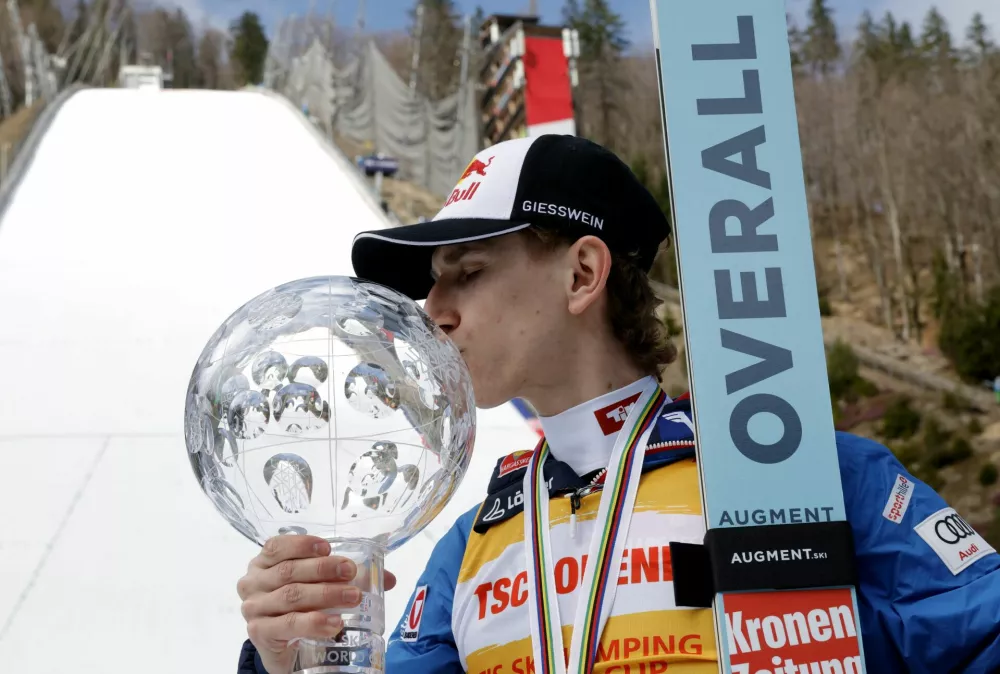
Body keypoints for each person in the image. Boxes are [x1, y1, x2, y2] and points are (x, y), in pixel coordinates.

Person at [235, 134, 1000, 674]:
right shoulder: (468, 548)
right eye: (432, 281)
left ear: (581, 275)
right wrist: (286, 656)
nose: (433, 310)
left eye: (465, 271)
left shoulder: (803, 476)